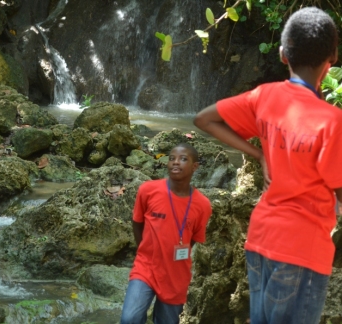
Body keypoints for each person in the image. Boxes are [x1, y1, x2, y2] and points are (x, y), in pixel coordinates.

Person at [193, 7, 342, 324]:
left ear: (283, 54)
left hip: (260, 239)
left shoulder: (264, 96)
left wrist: (258, 153)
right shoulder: (331, 121)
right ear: (333, 59)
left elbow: (204, 119)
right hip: (303, 250)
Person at [120, 143, 212, 324]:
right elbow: (137, 222)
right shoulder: (148, 190)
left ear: (195, 167)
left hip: (176, 274)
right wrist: (145, 250)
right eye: (171, 158)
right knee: (129, 318)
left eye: (183, 159)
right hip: (146, 267)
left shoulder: (202, 205)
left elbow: (193, 239)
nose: (175, 163)